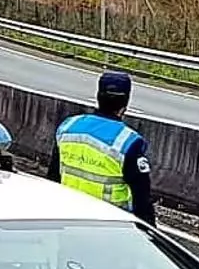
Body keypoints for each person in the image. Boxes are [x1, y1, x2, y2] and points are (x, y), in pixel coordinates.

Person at [47, 70, 155, 224]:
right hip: (109, 226)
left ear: (98, 96)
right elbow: (142, 201)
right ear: (126, 102)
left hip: (67, 219)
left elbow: (53, 180)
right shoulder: (128, 142)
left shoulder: (68, 127)